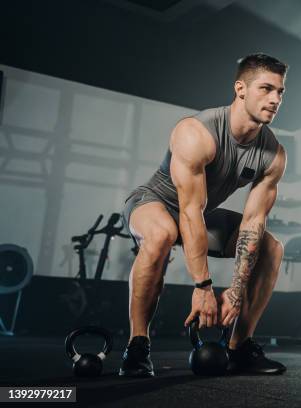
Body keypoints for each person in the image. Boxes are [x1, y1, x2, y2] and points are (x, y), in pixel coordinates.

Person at [119, 53, 288, 377]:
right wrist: (203, 287)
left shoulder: (274, 153)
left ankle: (240, 347)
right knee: (161, 235)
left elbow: (253, 221)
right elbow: (188, 210)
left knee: (271, 248)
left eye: (280, 92)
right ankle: (137, 345)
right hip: (154, 202)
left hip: (200, 212)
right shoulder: (196, 132)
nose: (275, 99)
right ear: (240, 88)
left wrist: (237, 288)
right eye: (266, 88)